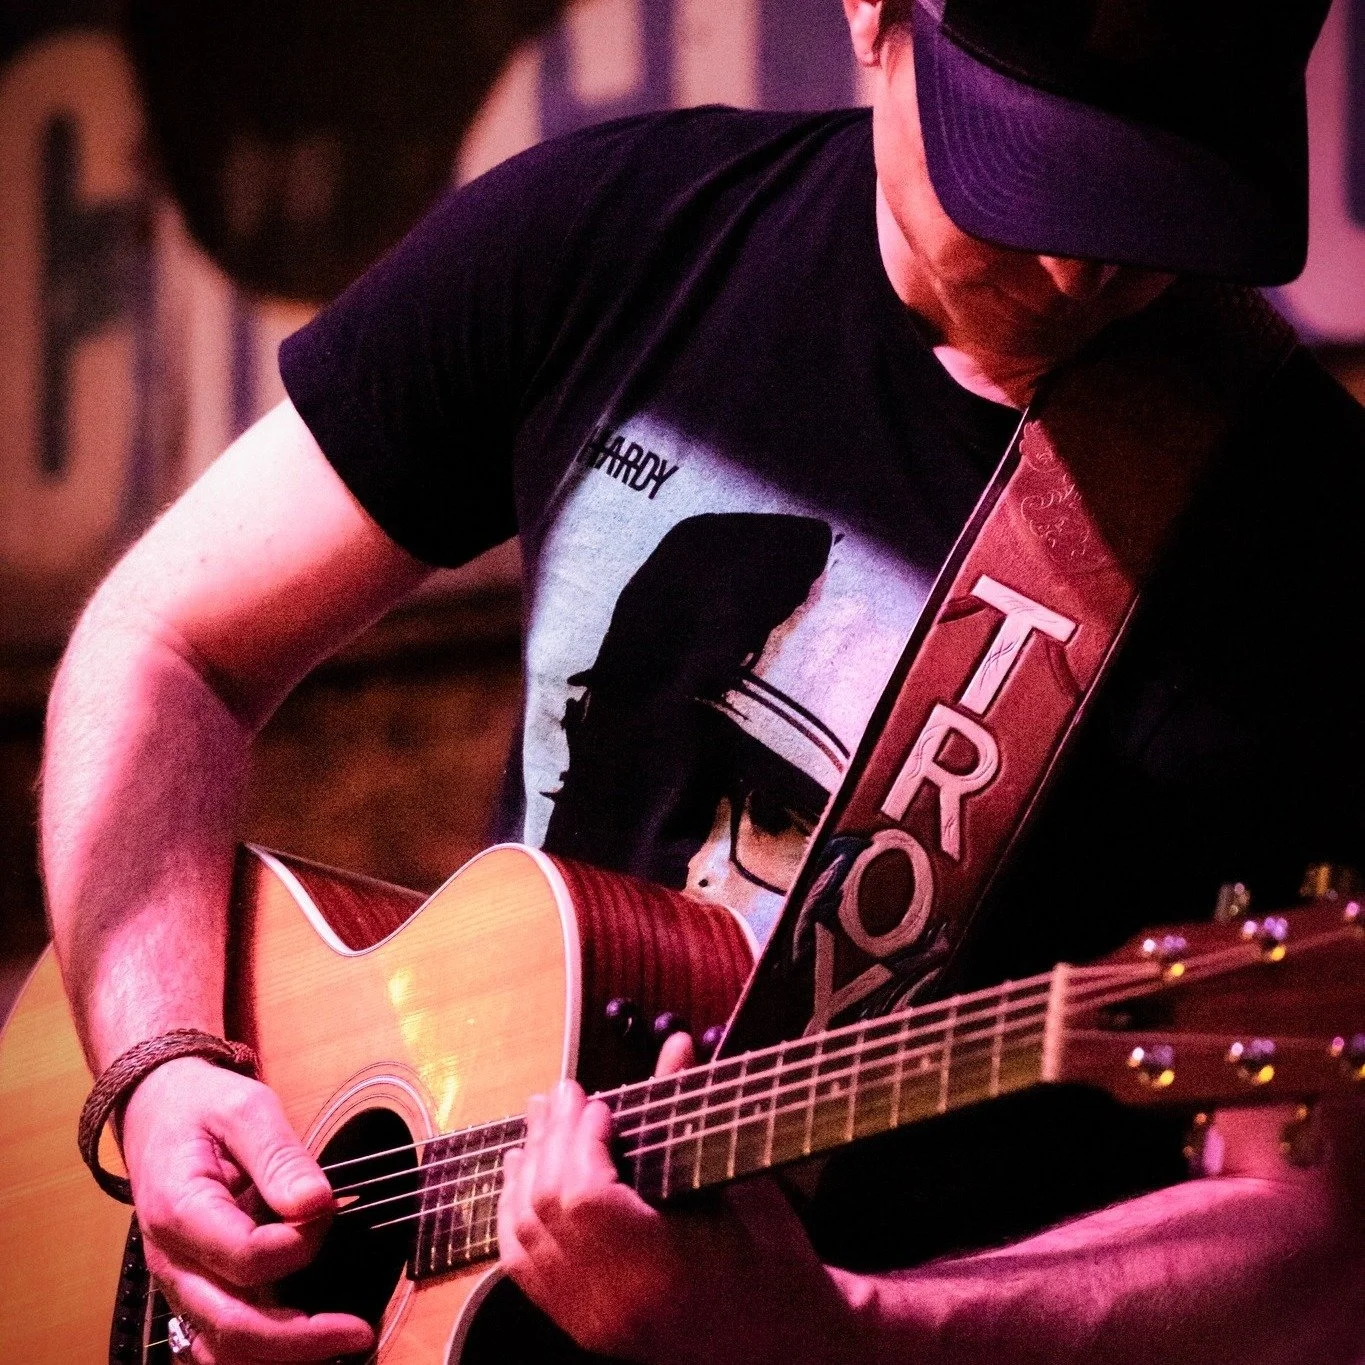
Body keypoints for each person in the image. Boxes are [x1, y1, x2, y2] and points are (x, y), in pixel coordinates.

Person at [39, 0, 1365, 1361]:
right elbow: (168, 646)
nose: (1082, 270)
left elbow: (1322, 1254)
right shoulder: (618, 239)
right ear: (873, 14)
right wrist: (161, 1065)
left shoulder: (1312, 533)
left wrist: (838, 1334)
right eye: (1024, 171)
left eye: (1157, 201)